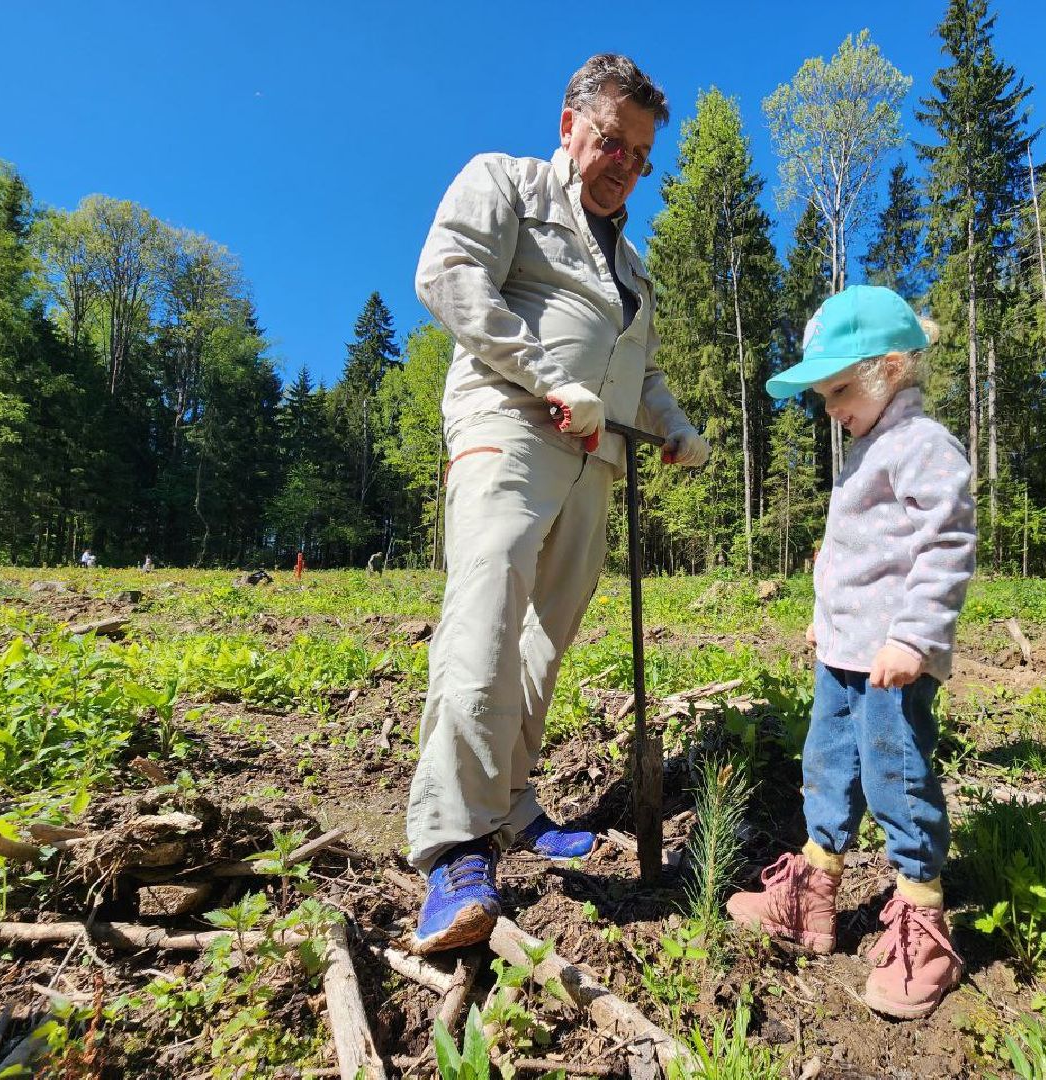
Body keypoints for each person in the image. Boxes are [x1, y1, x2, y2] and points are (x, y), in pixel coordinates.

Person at [406, 53, 710, 955]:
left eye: (642, 153)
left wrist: (676, 423)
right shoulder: (506, 183)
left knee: (545, 641)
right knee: (486, 617)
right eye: (613, 140)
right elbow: (447, 274)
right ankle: (455, 846)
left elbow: (641, 372)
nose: (626, 163)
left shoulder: (636, 268)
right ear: (571, 122)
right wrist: (545, 378)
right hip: (511, 427)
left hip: (600, 463)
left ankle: (512, 805)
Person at [725, 285, 976, 1020]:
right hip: (842, 655)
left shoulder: (923, 445)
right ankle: (812, 896)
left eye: (841, 388)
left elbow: (947, 545)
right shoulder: (868, 449)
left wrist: (915, 637)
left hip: (892, 662)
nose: (831, 407)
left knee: (897, 779)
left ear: (892, 368)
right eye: (825, 394)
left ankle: (922, 922)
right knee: (826, 767)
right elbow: (851, 556)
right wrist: (822, 618)